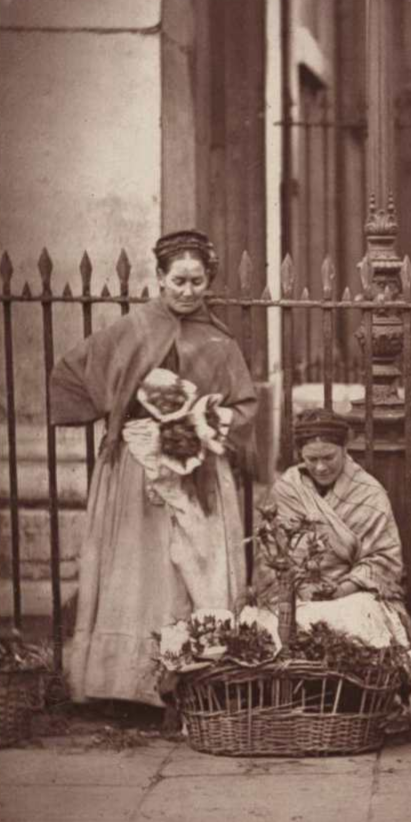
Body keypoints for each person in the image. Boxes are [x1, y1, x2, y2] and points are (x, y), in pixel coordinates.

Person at [49, 227, 256, 710]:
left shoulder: (219, 341)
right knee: (138, 567)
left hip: (197, 470)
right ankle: (126, 683)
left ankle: (195, 678)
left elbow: (244, 406)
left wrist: (204, 418)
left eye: (197, 281)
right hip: (136, 468)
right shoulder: (134, 328)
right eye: (178, 280)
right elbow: (71, 374)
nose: (187, 291)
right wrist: (120, 412)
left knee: (196, 565)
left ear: (208, 282)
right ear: (160, 277)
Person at [263, 408, 411, 646]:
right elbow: (271, 554)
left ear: (344, 449)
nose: (320, 467)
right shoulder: (287, 489)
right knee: (273, 629)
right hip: (294, 595)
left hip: (350, 595)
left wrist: (341, 589)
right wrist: (296, 589)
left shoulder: (368, 492)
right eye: (312, 459)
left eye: (328, 457)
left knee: (354, 627)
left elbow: (383, 560)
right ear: (300, 454)